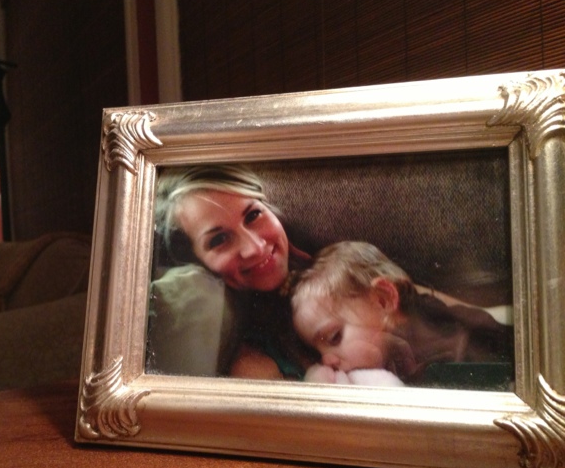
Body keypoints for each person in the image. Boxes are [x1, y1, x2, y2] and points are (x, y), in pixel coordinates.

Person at [149, 164, 316, 380]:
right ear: (196, 260)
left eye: (253, 215)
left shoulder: (324, 257)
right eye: (219, 239)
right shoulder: (252, 362)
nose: (255, 247)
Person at [290, 241, 514, 386]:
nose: (326, 361)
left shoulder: (449, 357)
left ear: (383, 300)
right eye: (317, 351)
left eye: (334, 337)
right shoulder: (389, 357)